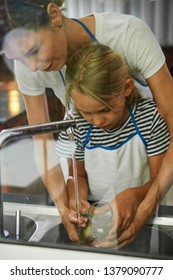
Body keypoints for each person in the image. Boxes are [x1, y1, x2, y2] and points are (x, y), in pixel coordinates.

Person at [0, 0, 173, 247]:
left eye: (34, 50)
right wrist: (65, 206)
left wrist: (144, 202)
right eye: (20, 59)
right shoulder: (32, 69)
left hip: (155, 179)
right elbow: (43, 144)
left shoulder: (128, 34)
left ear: (54, 15)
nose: (34, 66)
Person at [56, 43, 170, 247]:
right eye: (86, 112)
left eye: (104, 109)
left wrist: (133, 196)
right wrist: (76, 198)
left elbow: (158, 179)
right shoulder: (77, 123)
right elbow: (77, 174)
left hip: (144, 217)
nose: (97, 121)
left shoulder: (150, 118)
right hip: (100, 219)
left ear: (126, 88)